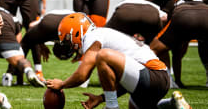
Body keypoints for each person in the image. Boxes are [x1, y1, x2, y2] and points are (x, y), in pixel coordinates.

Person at [46, 13, 191, 109]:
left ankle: (111, 107)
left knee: (103, 56)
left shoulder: (92, 37)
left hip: (152, 76)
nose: (69, 45)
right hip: (155, 79)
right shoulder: (102, 34)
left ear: (76, 32)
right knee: (134, 106)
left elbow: (83, 74)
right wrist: (101, 98)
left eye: (68, 40)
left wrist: (62, 84)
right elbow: (124, 80)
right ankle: (173, 104)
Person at [150, 0, 208, 89]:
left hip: (183, 17)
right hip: (207, 16)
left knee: (157, 49)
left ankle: (172, 80)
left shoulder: (176, 1)